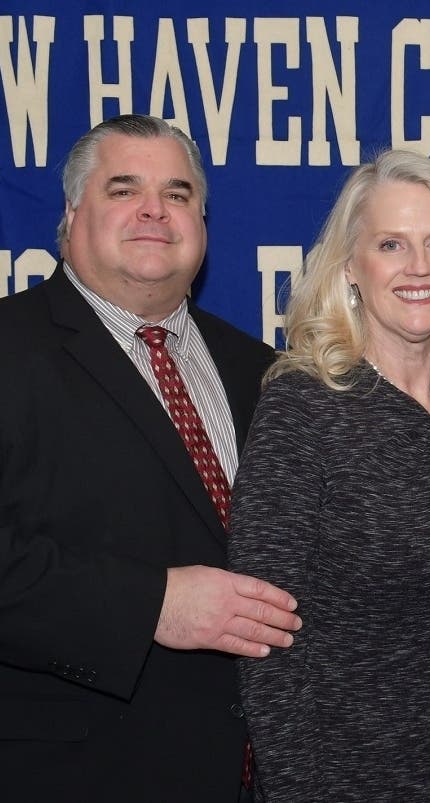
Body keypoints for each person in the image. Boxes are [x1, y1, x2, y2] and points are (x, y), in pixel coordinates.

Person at [0, 114, 302, 801]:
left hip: (257, 773)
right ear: (72, 214)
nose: (153, 212)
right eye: (123, 189)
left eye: (177, 193)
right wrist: (150, 604)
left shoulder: (263, 371)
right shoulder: (9, 348)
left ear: (201, 219)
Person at [228, 149, 430, 801]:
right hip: (336, 785)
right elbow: (264, 640)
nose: (419, 266)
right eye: (391, 244)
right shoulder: (301, 406)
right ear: (350, 265)